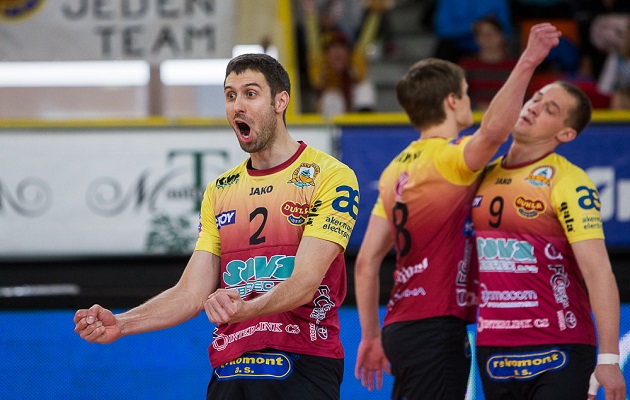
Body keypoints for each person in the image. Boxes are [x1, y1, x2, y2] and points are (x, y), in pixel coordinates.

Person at [73, 53, 360, 400]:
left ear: (280, 102)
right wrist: (122, 323)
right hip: (230, 366)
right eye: (230, 95)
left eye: (250, 94)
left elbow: (306, 281)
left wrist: (246, 309)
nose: (238, 105)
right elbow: (190, 293)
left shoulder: (330, 176)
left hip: (302, 360)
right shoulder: (220, 191)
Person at [354, 23, 561, 399]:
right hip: (435, 324)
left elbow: (366, 263)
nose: (470, 101)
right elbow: (494, 133)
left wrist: (370, 336)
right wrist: (528, 61)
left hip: (400, 325)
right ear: (452, 101)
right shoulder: (449, 157)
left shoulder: (393, 170)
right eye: (466, 93)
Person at [472, 80, 627, 399]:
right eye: (535, 98)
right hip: (493, 349)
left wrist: (609, 359)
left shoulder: (570, 181)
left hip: (559, 346)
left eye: (550, 109)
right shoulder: (480, 175)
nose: (533, 107)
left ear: (566, 134)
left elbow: (598, 271)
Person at [301, 0, 380, 115]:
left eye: (341, 48)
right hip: (329, 114)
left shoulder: (353, 62)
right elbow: (313, 44)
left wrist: (375, 13)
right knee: (332, 97)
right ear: (327, 54)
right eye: (333, 49)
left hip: (352, 107)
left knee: (365, 87)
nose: (337, 52)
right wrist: (310, 13)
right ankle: (338, 126)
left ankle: (365, 121)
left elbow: (365, 41)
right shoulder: (321, 65)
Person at [459, 16, 519, 110]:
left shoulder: (515, 65)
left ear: (502, 36)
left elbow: (523, 96)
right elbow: (459, 95)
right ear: (476, 39)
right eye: (482, 34)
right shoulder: (467, 64)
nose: (487, 38)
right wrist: (476, 106)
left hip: (508, 113)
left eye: (492, 33)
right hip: (475, 114)